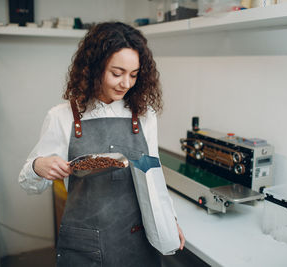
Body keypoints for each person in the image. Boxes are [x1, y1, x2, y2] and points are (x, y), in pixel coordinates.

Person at [18, 21, 185, 266]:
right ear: (94, 68)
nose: (126, 83)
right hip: (85, 243)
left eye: (134, 75)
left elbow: (153, 177)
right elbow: (27, 183)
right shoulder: (63, 116)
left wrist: (169, 221)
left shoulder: (144, 115)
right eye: (117, 73)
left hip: (136, 237)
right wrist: (38, 166)